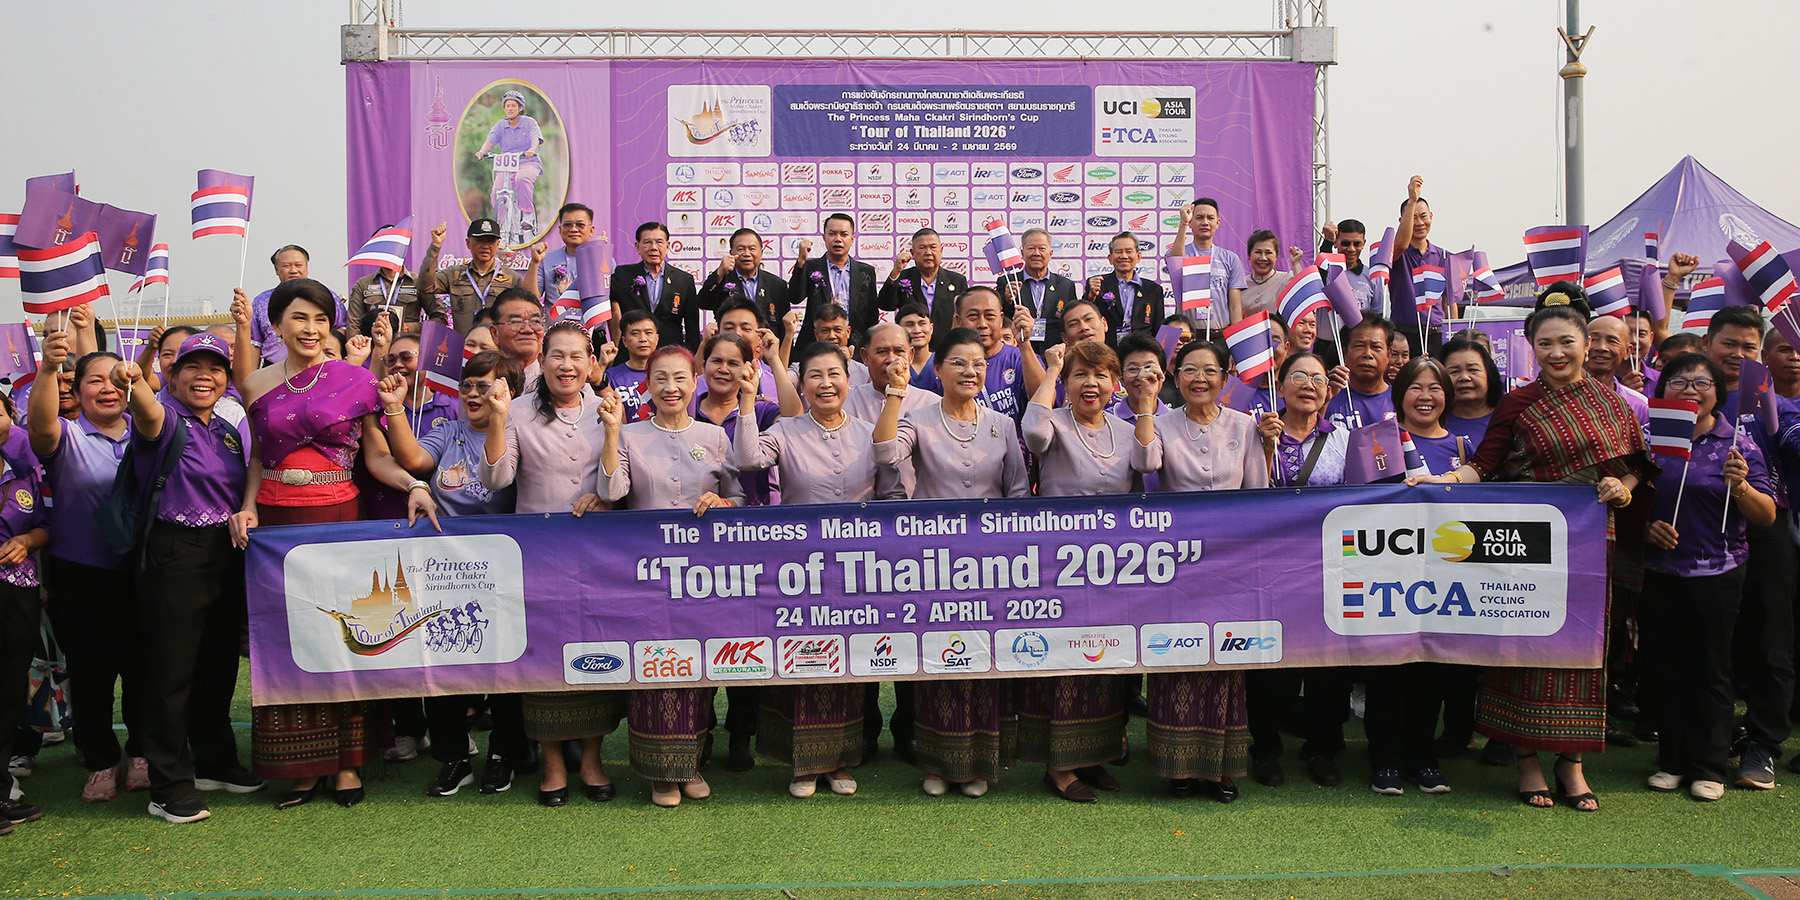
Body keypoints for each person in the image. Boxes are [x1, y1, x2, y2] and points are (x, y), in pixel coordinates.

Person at [1411, 294, 1653, 812]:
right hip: (1527, 543)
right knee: (1524, 643)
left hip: (1591, 542)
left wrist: (1622, 487)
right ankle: (1526, 760)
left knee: (1584, 645)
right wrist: (1441, 482)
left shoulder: (1612, 403)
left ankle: (1572, 763)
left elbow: (1636, 464)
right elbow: (1483, 466)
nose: (1556, 353)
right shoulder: (1517, 404)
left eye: (1567, 342)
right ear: (1531, 349)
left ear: (1585, 344)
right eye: (1545, 344)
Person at [228, 278, 441, 811]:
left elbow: (377, 456)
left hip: (339, 520)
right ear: (276, 325)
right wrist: (249, 505)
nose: (311, 329)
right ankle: (302, 765)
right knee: (288, 639)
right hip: (276, 526)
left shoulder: (355, 380)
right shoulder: (255, 384)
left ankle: (347, 762)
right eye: (300, 318)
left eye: (321, 320)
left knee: (341, 635)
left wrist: (414, 486)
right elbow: (259, 457)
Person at [733, 341, 903, 797]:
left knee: (847, 668)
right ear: (801, 383)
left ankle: (839, 761)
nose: (826, 384)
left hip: (857, 571)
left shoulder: (871, 431)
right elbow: (747, 459)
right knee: (804, 663)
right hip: (798, 573)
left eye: (834, 374)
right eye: (815, 375)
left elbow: (892, 495)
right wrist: (747, 399)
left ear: (849, 380)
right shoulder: (785, 430)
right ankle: (803, 766)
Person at [584, 344, 744, 807]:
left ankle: (689, 764)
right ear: (647, 386)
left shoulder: (714, 436)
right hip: (645, 574)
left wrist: (722, 502)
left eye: (680, 378)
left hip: (703, 576)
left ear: (695, 382)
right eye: (660, 379)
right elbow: (611, 490)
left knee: (696, 668)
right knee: (654, 669)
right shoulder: (630, 435)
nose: (671, 388)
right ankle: (660, 773)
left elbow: (739, 498)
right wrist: (612, 433)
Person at [109, 334, 258, 824]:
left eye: (215, 368)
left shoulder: (226, 428)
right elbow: (145, 408)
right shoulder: (165, 419)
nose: (204, 376)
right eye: (192, 367)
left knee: (218, 665)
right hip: (174, 554)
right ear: (172, 377)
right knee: (171, 673)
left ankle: (215, 761)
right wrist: (136, 381)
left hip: (225, 552)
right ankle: (168, 786)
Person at [874, 328, 1029, 797]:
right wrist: (895, 393)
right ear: (938, 369)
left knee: (984, 661)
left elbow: (1017, 493)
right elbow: (885, 451)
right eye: (958, 362)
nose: (970, 371)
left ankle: (980, 763)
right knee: (937, 662)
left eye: (979, 363)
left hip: (991, 566)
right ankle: (937, 764)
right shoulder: (917, 418)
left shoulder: (1002, 424)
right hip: (934, 565)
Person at [476, 323, 613, 806]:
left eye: (577, 356)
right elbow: (496, 479)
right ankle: (553, 764)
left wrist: (607, 500)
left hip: (597, 556)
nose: (566, 365)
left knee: (598, 653)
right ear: (543, 359)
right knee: (546, 659)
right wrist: (497, 420)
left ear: (591, 363)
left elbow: (626, 481)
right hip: (537, 557)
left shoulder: (608, 409)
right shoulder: (516, 410)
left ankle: (592, 759)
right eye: (557, 355)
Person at [1132, 339, 1270, 802]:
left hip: (1231, 564)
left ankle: (1220, 768)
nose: (1200, 379)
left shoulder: (1245, 426)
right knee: (1177, 660)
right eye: (1190, 370)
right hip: (1175, 565)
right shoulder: (1162, 423)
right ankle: (1178, 766)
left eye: (1210, 371)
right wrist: (1147, 406)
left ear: (1225, 377)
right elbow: (1145, 463)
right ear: (1176, 377)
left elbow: (1258, 494)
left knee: (1225, 662)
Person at [382, 351, 524, 798]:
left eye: (485, 385)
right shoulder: (449, 430)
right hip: (445, 570)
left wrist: (500, 419)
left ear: (509, 392)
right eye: (467, 386)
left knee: (506, 666)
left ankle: (503, 755)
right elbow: (413, 459)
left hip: (505, 568)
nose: (473, 394)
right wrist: (394, 408)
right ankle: (453, 759)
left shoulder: (522, 432)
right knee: (443, 663)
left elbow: (502, 480)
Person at [1642, 352, 1776, 801]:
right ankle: (1672, 761)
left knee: (1710, 669)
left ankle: (1710, 766)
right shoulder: (1649, 439)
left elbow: (1767, 514)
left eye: (1701, 383)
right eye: (1679, 382)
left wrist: (1741, 486)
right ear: (1663, 391)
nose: (1690, 391)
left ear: (1718, 393)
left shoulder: (1738, 444)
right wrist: (1645, 527)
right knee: (1665, 667)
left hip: (1717, 572)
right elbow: (1628, 498)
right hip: (1659, 571)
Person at [27, 334, 146, 804]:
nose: (108, 387)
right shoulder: (66, 436)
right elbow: (39, 427)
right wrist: (46, 369)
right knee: (91, 672)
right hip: (82, 574)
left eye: (116, 378)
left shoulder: (151, 431)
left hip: (143, 572)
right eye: (94, 380)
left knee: (144, 668)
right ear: (76, 391)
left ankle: (142, 753)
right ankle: (100, 760)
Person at [1019, 340, 1136, 803]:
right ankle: (1059, 766)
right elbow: (1032, 433)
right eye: (1080, 374)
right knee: (1065, 664)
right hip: (1059, 569)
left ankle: (1093, 755)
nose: (1091, 384)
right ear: (1066, 383)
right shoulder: (1053, 422)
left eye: (1100, 375)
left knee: (1105, 664)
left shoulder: (1126, 429)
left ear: (1115, 383)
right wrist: (1051, 369)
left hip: (1114, 569)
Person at [1249, 352, 1353, 789]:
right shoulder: (1257, 433)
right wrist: (1265, 448)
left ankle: (1323, 748)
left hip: (1331, 570)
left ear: (1328, 391)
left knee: (1330, 668)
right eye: (1298, 376)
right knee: (1272, 666)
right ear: (1280, 386)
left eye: (1317, 378)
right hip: (1271, 569)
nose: (1308, 385)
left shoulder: (1345, 439)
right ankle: (1265, 748)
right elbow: (1248, 494)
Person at [1359, 355, 1460, 796]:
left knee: (1431, 671)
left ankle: (1424, 758)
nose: (1425, 396)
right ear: (1399, 395)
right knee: (1387, 672)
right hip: (1385, 576)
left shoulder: (1461, 448)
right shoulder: (1377, 441)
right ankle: (1384, 759)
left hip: (1443, 578)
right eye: (1415, 387)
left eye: (1434, 387)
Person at [1703, 306, 1795, 789]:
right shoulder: (1685, 398)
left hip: (1765, 529)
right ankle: (1707, 743)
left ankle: (1763, 744)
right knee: (1712, 642)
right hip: (1701, 531)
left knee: (1770, 639)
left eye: (1749, 347)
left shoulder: (1774, 404)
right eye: (1729, 344)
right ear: (1708, 344)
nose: (1739, 354)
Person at [0, 390, 50, 833]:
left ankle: (2, 791)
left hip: (18, 592)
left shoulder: (22, 471)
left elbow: (45, 525)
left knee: (8, 691)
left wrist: (28, 541)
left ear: (10, 416)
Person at [915, 287, 1043, 425]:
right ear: (958, 320)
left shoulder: (1020, 358)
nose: (982, 324)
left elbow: (1044, 403)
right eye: (973, 316)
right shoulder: (943, 366)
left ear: (1001, 319)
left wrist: (1024, 343)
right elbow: (925, 420)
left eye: (990, 316)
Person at [418, 219, 543, 334]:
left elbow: (529, 302)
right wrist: (435, 246)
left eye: (490, 241)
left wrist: (535, 262)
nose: (485, 246)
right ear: (468, 243)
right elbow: (425, 286)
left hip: (498, 346)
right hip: (465, 345)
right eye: (479, 240)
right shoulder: (453, 274)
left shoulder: (511, 277)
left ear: (497, 244)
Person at [245, 245, 348, 366]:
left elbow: (341, 330)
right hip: (274, 367)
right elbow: (255, 343)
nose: (293, 270)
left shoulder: (326, 296)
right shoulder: (261, 301)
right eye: (286, 266)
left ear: (306, 267)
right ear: (276, 269)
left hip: (318, 365)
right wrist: (250, 375)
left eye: (298, 265)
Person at [1386, 176, 1454, 354]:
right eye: (1413, 218)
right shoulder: (1396, 253)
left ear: (1431, 216)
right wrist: (1411, 200)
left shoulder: (1444, 256)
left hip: (1436, 335)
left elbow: (1449, 300)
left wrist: (1454, 334)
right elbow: (1400, 245)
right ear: (1402, 221)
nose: (1420, 223)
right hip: (1404, 335)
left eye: (1423, 216)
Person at [790, 214, 880, 345]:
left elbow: (872, 313)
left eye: (844, 234)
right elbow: (795, 297)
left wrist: (870, 345)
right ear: (824, 237)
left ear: (852, 239)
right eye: (832, 234)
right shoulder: (810, 267)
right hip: (816, 344)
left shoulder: (866, 272)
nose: (838, 239)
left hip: (855, 344)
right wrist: (801, 261)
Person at [612, 222, 700, 350]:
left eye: (659, 242)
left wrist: (690, 357)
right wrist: (599, 254)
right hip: (632, 351)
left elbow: (692, 327)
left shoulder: (683, 280)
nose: (653, 247)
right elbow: (602, 296)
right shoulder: (622, 275)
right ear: (637, 247)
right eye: (647, 242)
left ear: (667, 246)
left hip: (670, 351)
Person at [879, 228, 969, 347]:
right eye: (922, 248)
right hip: (912, 347)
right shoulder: (902, 277)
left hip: (947, 347)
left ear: (941, 251)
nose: (928, 252)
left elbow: (965, 316)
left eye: (933, 247)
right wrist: (896, 271)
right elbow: (886, 305)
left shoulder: (957, 281)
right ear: (912, 253)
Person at [476, 89, 546, 238]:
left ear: (520, 108)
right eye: (507, 106)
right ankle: (501, 222)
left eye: (513, 105)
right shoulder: (500, 125)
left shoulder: (529, 122)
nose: (510, 108)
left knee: (522, 178)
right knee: (497, 190)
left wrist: (532, 149)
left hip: (528, 162)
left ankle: (527, 214)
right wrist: (482, 151)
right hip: (507, 165)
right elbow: (490, 140)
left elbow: (535, 138)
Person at [699, 228, 791, 341]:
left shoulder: (777, 285)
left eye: (752, 249)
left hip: (765, 347)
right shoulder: (722, 279)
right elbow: (703, 302)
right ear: (731, 253)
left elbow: (783, 328)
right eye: (741, 249)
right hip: (731, 344)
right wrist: (719, 273)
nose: (747, 254)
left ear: (761, 252)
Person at [346, 228, 441, 336]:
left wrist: (410, 327)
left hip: (406, 342)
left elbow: (440, 319)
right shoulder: (363, 285)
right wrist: (358, 343)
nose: (390, 250)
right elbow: (353, 326)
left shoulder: (418, 282)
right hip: (374, 343)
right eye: (384, 246)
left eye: (395, 245)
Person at [1168, 199, 1247, 326]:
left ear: (1217, 222)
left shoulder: (1230, 258)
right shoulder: (1181, 252)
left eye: (1210, 218)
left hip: (1219, 333)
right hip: (1188, 334)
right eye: (1199, 217)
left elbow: (1235, 306)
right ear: (1191, 222)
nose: (1205, 222)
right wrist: (1183, 223)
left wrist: (1237, 335)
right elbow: (1174, 261)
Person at [998, 228, 1078, 349]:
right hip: (1019, 349)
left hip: (1055, 349)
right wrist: (1007, 301)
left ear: (1050, 253)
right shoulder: (1008, 282)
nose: (1036, 253)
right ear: (1022, 252)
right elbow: (999, 317)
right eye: (1031, 248)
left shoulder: (1065, 285)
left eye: (1042, 248)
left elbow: (1072, 319)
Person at [1085, 232, 1164, 346]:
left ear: (1138, 257)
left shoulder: (1153, 290)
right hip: (1108, 350)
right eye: (1118, 252)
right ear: (1110, 258)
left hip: (1142, 349)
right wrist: (1091, 296)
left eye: (1129, 251)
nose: (1124, 256)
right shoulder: (1098, 284)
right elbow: (1085, 315)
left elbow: (1158, 329)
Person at [1325, 312, 1398, 431]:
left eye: (1376, 347)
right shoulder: (1328, 397)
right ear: (1344, 352)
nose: (1368, 354)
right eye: (1359, 346)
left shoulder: (1402, 400)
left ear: (1389, 354)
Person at [1586, 316, 1651, 427]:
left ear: (1627, 351)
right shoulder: (1558, 396)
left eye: (1612, 341)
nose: (1601, 347)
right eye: (1594, 339)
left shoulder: (1639, 406)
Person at [1437, 337, 1500, 450]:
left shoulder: (1509, 416)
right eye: (1455, 371)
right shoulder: (1433, 422)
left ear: (1489, 373)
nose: (1464, 377)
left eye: (1472, 370)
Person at [603, 310, 660, 422]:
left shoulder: (668, 374)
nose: (643, 339)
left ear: (657, 338)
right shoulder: (611, 376)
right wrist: (602, 365)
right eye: (635, 334)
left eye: (648, 333)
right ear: (624, 341)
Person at [536, 203, 597, 302]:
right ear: (560, 230)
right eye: (568, 225)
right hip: (557, 312)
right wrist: (534, 263)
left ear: (591, 230)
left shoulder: (603, 259)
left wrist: (600, 252)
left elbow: (613, 299)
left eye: (580, 225)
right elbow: (531, 298)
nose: (573, 229)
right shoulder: (547, 259)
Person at [487, 289, 549, 385]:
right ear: (495, 333)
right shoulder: (483, 379)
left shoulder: (554, 379)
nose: (528, 330)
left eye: (535, 321)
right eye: (516, 321)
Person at [1240, 231, 1302, 318]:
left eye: (1268, 253)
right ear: (1249, 256)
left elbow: (1302, 293)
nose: (1263, 258)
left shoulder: (1286, 279)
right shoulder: (1240, 284)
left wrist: (1296, 263)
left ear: (1276, 257)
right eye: (1258, 252)